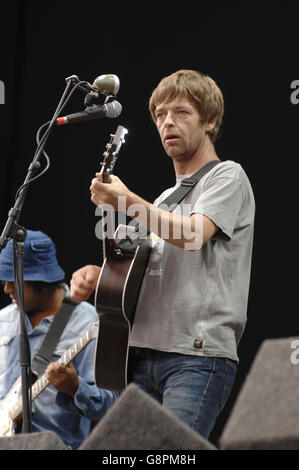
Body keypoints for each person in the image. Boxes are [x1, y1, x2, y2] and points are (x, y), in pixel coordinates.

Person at [70, 69, 255, 439]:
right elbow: (139, 270)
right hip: (140, 356)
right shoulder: (163, 202)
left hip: (196, 358)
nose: (168, 121)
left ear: (210, 121)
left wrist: (124, 200)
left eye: (182, 112)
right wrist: (100, 272)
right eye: (160, 115)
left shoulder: (227, 177)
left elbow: (192, 235)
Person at [0, 230, 118, 449]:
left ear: (42, 282)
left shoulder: (85, 321)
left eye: (13, 281)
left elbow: (111, 405)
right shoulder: (4, 320)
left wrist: (75, 388)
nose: (7, 289)